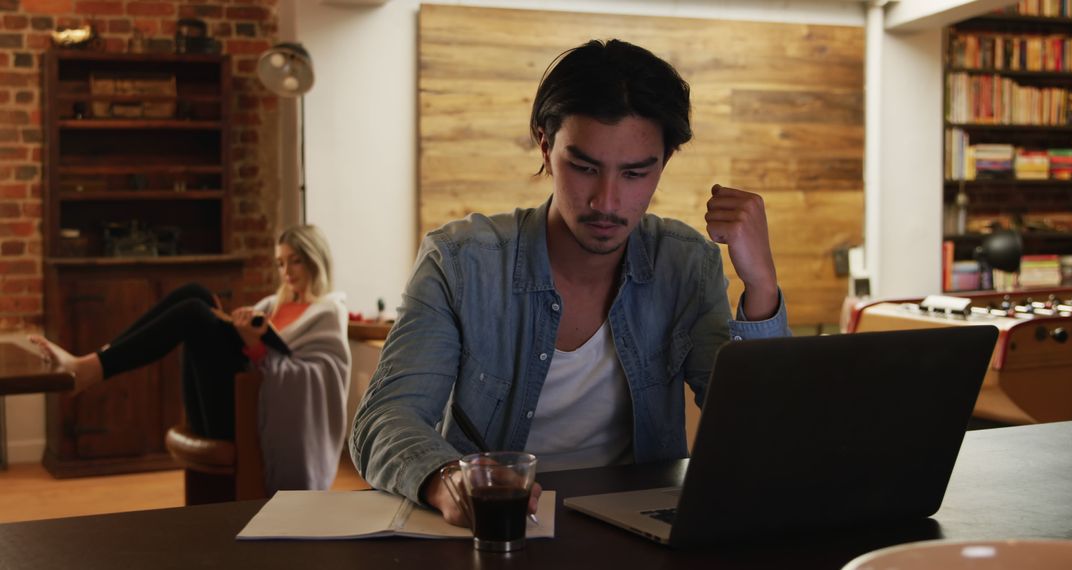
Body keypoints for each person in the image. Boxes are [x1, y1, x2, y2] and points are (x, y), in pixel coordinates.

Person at [351, 39, 790, 526]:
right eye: (584, 167)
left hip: (638, 534)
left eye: (634, 173)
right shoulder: (461, 263)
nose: (606, 201)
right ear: (545, 144)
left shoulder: (687, 265)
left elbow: (766, 435)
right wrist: (444, 477)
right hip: (495, 529)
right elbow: (385, 418)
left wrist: (762, 287)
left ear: (663, 162)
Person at [30, 225, 351, 492]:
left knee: (195, 313)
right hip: (224, 404)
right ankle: (94, 362)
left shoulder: (327, 313)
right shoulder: (271, 305)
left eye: (294, 261)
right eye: (280, 263)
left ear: (314, 261)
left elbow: (319, 381)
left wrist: (257, 348)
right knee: (193, 293)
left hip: (256, 421)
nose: (286, 272)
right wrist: (242, 334)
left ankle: (87, 369)